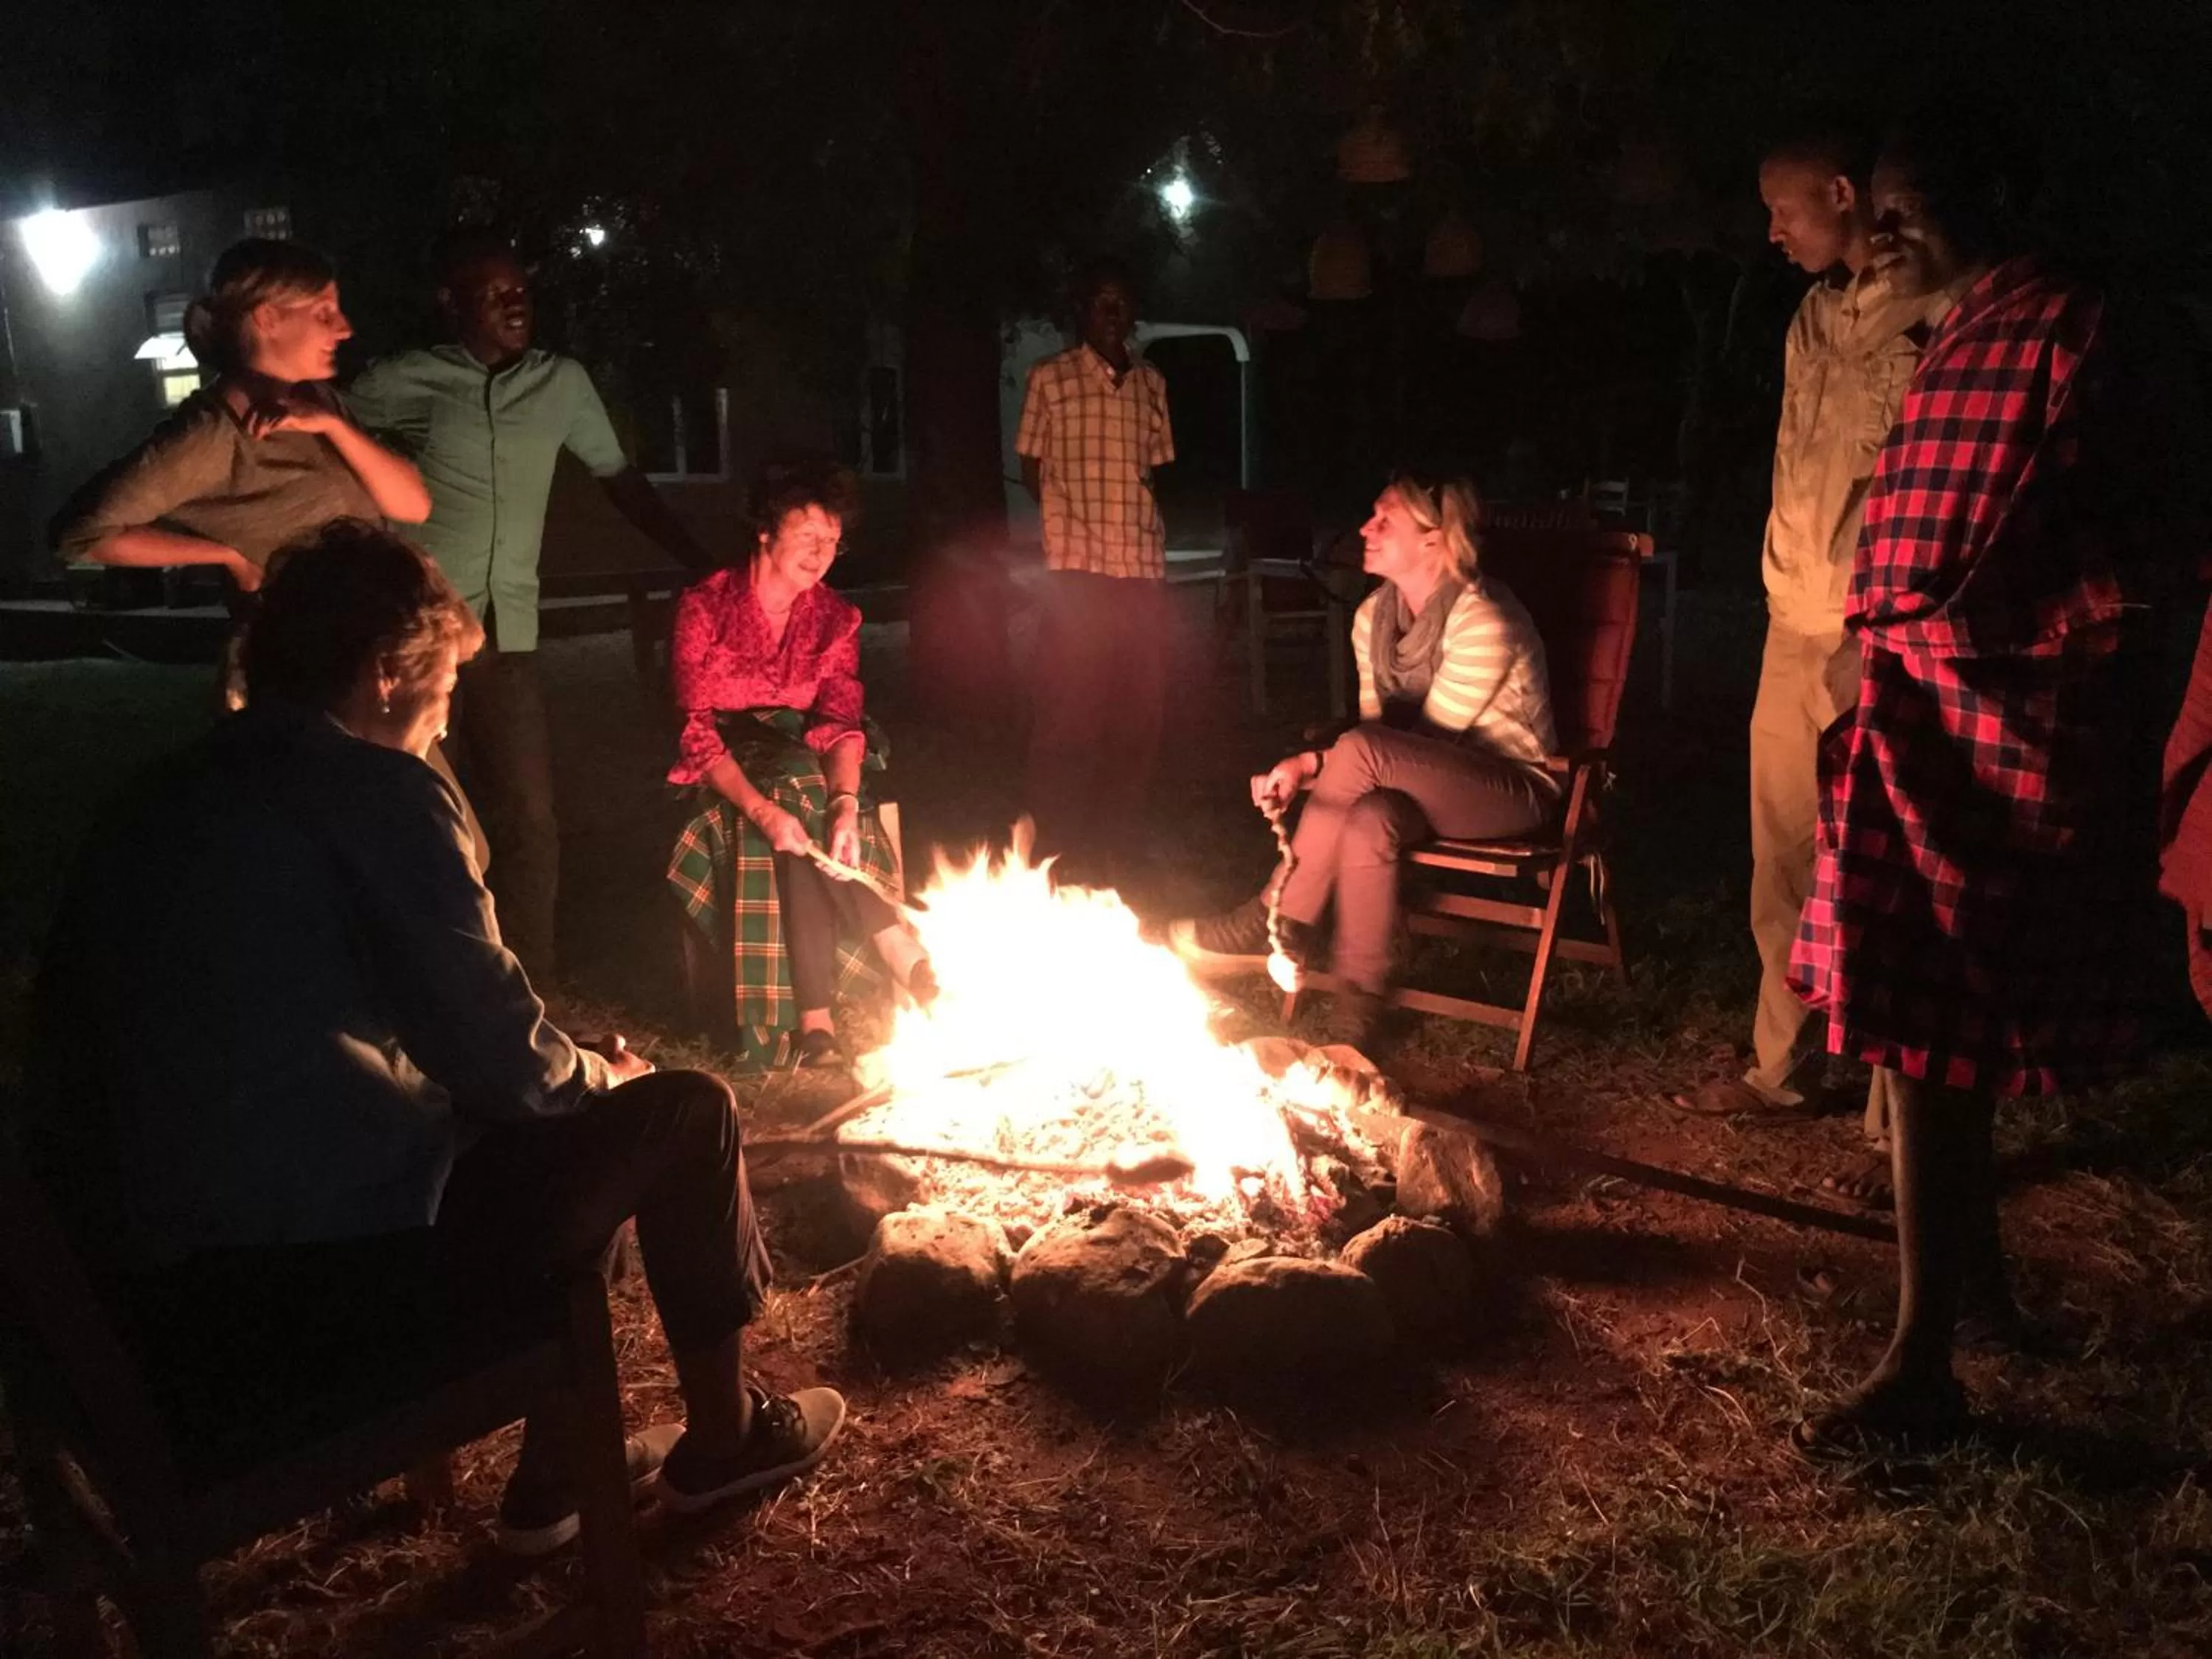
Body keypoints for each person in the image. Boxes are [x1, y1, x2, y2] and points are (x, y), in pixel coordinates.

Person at [21, 520, 845, 1554]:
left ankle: (557, 1475)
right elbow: (509, 1067)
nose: (440, 731)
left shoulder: (158, 796)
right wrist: (600, 1071)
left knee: (570, 1112)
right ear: (384, 674)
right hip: (312, 1306)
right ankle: (724, 1441)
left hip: (139, 1300)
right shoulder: (374, 789)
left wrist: (564, 1071)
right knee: (683, 1110)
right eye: (443, 696)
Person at [1786, 122, 2183, 1456]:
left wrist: (1960, 649)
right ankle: (1967, 1305)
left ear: (1995, 201)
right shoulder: (1955, 334)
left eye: (1913, 205)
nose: (1886, 229)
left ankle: (1923, 1357)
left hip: (2005, 738)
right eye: (1881, 208)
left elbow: (2121, 554)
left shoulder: (2072, 331)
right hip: (1916, 729)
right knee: (1920, 1032)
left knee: (1944, 1037)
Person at [1677, 122, 1956, 1214]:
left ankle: (1900, 1121)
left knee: (1878, 867)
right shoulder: (1810, 318)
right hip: (1789, 617)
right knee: (1781, 854)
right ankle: (1781, 1066)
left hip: (1871, 629)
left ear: (1843, 194)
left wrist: (1870, 619)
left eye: (1784, 207)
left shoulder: (1934, 312)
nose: (1773, 228)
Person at [347, 231, 714, 983]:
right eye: (497, 293)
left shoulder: (561, 384)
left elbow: (618, 477)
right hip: (415, 635)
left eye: (524, 293)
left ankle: (529, 988)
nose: (518, 305)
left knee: (531, 823)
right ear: (454, 304)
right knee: (416, 815)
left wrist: (701, 561)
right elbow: (328, 425)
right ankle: (424, 975)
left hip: (507, 633)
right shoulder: (411, 378)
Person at [1166, 474, 1558, 1051]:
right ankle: (1357, 1016)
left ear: (1433, 541)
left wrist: (1308, 764)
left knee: (1362, 757)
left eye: (1385, 521)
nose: (1363, 529)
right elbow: (1383, 748)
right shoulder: (1373, 617)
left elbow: (1418, 743)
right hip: (1416, 780)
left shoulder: (1485, 620)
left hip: (1509, 789)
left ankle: (1273, 918)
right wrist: (1307, 769)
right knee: (1370, 818)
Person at [50, 237, 431, 662]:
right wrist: (228, 556)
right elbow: (81, 535)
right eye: (324, 312)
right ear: (268, 318)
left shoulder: (317, 401)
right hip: (306, 671)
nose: (345, 328)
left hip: (377, 648)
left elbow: (413, 506)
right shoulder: (212, 435)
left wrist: (334, 426)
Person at [667, 462, 933, 1070]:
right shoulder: (706, 607)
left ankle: (815, 1025)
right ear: (765, 530)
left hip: (803, 758)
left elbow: (841, 721)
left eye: (833, 543)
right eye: (808, 536)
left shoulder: (836, 618)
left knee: (806, 792)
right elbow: (694, 729)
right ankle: (897, 951)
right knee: (792, 790)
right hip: (728, 756)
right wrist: (758, 809)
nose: (822, 555)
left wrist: (844, 805)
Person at [1015, 255, 1175, 885]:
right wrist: (1068, 525)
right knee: (1068, 714)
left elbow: (1153, 471)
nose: (1115, 315)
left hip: (1140, 571)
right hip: (1078, 571)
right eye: (1102, 303)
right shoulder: (1049, 378)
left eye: (1123, 304)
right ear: (1082, 312)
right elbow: (1031, 466)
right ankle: (1054, 843)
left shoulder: (1151, 385)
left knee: (1139, 715)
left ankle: (1119, 840)